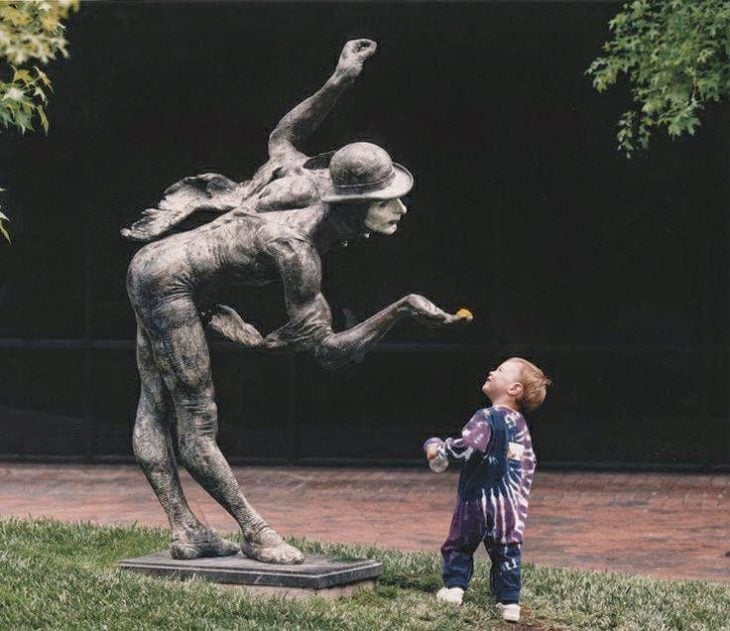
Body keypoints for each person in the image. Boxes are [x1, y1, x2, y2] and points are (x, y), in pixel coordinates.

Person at [124, 39, 471, 566]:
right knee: (195, 419)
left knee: (155, 401)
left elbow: (284, 135)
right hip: (168, 281)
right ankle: (256, 532)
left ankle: (186, 530)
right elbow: (326, 350)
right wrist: (400, 310)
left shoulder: (309, 180)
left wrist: (339, 80)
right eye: (386, 201)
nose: (399, 208)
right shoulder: (297, 251)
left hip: (159, 264)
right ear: (353, 205)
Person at [423, 358, 551, 623]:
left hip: (477, 499)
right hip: (509, 505)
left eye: (500, 370)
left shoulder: (487, 417)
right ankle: (509, 602)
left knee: (460, 544)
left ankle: (455, 588)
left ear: (514, 389)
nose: (492, 371)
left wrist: (439, 448)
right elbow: (527, 465)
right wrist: (518, 503)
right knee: (507, 551)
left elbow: (469, 446)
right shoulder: (521, 427)